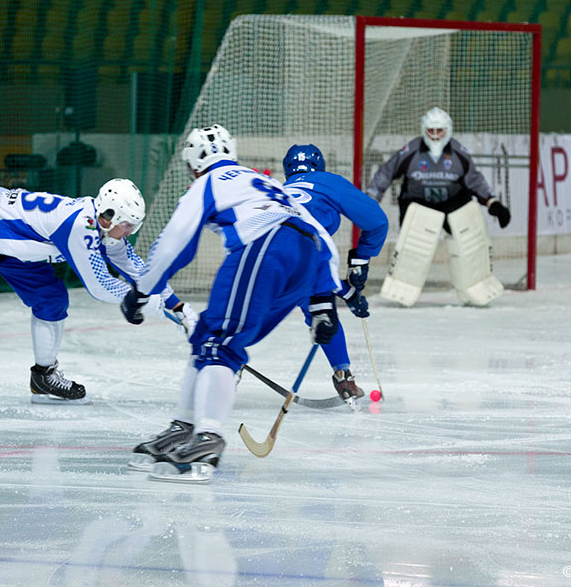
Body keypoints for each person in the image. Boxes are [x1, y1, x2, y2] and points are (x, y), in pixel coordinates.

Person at [121, 124, 342, 482]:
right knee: (209, 332)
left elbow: (175, 242)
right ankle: (185, 426)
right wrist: (322, 302)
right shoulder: (266, 182)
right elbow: (316, 231)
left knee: (219, 342)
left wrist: (143, 290)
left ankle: (207, 437)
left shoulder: (209, 182)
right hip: (307, 261)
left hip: (264, 247)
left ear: (193, 162)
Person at [0, 179, 196, 404]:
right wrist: (152, 306)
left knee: (51, 299)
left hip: (18, 250)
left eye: (132, 227)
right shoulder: (79, 227)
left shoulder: (104, 227)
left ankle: (43, 376)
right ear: (107, 215)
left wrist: (180, 308)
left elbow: (140, 271)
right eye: (127, 224)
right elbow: (101, 286)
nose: (128, 233)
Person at [367, 106, 512, 305]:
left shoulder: (459, 153)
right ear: (424, 130)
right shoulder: (411, 151)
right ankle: (402, 288)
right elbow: (386, 172)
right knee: (414, 245)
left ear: (448, 130)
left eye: (439, 131)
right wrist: (371, 199)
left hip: (451, 201)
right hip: (418, 203)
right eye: (431, 131)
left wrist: (492, 202)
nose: (435, 136)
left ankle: (474, 287)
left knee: (469, 241)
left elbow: (474, 180)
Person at [281, 144, 388, 407]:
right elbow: (377, 220)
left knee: (251, 312)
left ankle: (227, 359)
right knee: (323, 315)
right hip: (307, 255)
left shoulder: (278, 190)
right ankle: (343, 376)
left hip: (264, 252)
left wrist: (349, 294)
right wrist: (361, 261)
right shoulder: (329, 182)